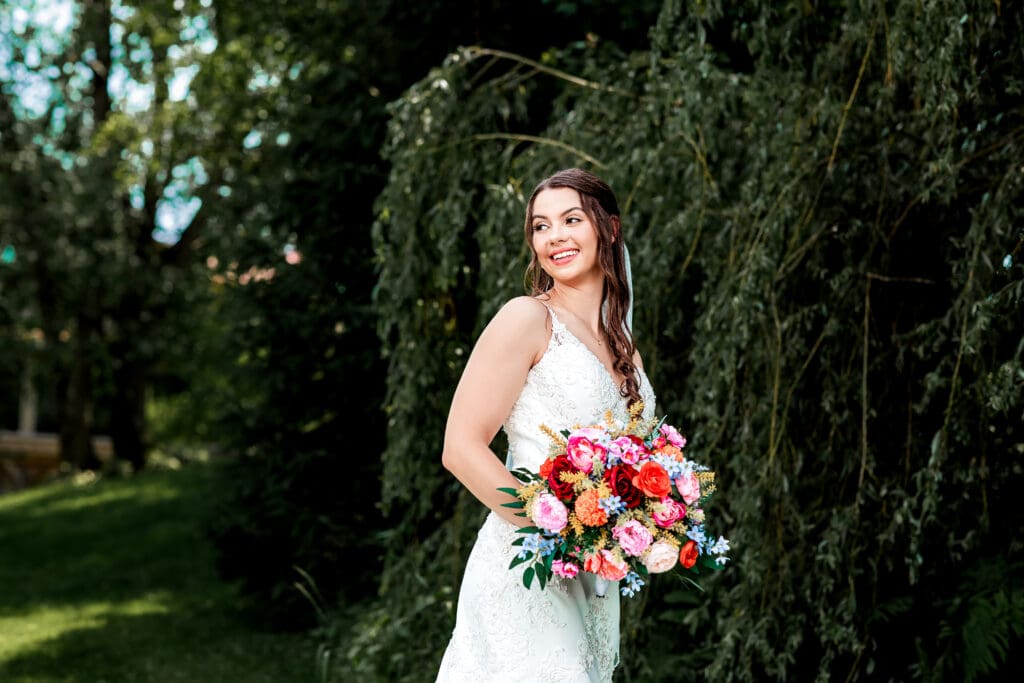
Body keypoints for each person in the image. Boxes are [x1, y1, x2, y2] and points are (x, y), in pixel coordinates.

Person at [435, 168, 657, 682]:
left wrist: (640, 526)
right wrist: (557, 531)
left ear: (610, 228)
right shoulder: (526, 319)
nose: (554, 236)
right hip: (527, 569)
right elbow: (461, 448)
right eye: (540, 226)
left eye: (571, 219)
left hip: (593, 582)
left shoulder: (624, 348)